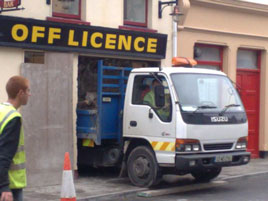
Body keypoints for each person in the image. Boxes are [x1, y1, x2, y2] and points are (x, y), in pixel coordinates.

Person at [0, 76, 31, 201]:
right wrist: (4, 187)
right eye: (28, 90)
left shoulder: (1, 111)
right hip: (10, 185)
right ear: (20, 93)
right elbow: (4, 155)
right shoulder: (13, 118)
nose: (30, 94)